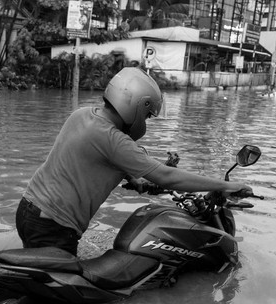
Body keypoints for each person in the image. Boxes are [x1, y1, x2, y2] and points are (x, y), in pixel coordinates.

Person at [16, 67, 252, 256]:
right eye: (148, 115)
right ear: (138, 106)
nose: (146, 122)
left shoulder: (83, 115)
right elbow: (165, 176)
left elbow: (115, 167)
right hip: (53, 225)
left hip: (30, 209)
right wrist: (226, 186)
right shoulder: (113, 139)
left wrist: (140, 180)